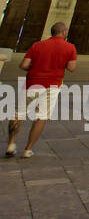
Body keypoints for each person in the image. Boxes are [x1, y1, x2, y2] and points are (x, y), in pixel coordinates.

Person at [6, 23, 77, 159]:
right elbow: (71, 68)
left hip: (32, 83)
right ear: (64, 32)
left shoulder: (37, 45)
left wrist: (36, 68)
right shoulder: (70, 47)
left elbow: (24, 64)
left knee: (19, 113)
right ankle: (28, 149)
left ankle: (11, 144)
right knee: (41, 116)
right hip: (53, 85)